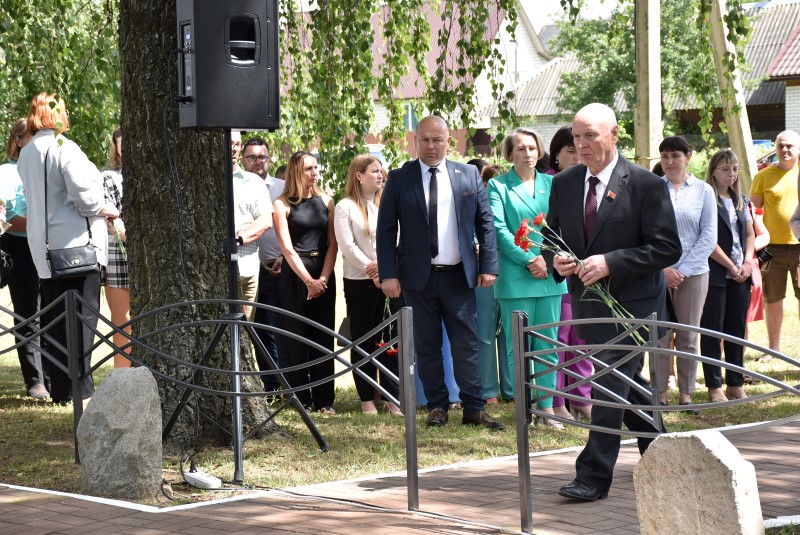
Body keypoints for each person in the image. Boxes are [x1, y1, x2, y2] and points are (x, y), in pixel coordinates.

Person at [546, 103, 681, 501]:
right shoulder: (564, 182)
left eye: (590, 135)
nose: (581, 145)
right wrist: (557, 260)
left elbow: (667, 247)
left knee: (607, 382)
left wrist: (610, 263)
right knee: (626, 383)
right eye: (576, 137)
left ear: (614, 134)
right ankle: (664, 456)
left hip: (635, 305)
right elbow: (553, 236)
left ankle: (593, 475)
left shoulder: (645, 184)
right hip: (590, 304)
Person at [376, 115, 503, 429]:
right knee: (427, 345)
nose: (431, 146)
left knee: (466, 344)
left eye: (437, 140)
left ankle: (474, 407)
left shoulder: (468, 175)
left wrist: (489, 265)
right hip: (417, 278)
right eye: (425, 140)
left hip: (459, 275)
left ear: (449, 141)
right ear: (415, 141)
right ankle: (437, 406)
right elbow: (386, 229)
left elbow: (485, 224)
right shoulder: (399, 178)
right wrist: (388, 273)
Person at [17, 92, 120, 405]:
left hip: (45, 250)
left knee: (56, 324)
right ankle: (81, 391)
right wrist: (106, 208)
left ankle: (61, 389)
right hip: (78, 248)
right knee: (82, 323)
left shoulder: (27, 152)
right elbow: (85, 197)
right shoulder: (65, 147)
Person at [487, 128, 566, 427]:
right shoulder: (497, 186)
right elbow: (498, 229)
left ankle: (546, 409)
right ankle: (525, 409)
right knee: (518, 347)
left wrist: (547, 259)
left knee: (548, 345)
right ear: (510, 154)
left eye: (532, 148)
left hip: (549, 275)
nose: (527, 153)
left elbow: (561, 226)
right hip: (516, 276)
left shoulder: (553, 183)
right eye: (520, 148)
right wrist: (530, 259)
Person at [334, 154, 401, 415]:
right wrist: (372, 270)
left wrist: (385, 267)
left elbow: (397, 239)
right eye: (374, 171)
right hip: (360, 282)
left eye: (381, 171)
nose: (380, 175)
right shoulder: (345, 207)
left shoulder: (386, 204)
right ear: (359, 175)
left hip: (388, 280)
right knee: (363, 339)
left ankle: (390, 395)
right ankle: (366, 398)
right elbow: (348, 246)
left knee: (389, 340)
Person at [273, 151, 337, 414]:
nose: (314, 173)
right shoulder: (282, 204)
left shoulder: (327, 201)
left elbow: (333, 244)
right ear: (295, 172)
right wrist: (308, 281)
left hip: (323, 272)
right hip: (296, 275)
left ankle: (325, 399)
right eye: (308, 168)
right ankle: (301, 397)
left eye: (316, 168)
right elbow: (287, 249)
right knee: (296, 336)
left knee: (323, 336)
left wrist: (322, 278)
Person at [655, 136, 716, 411]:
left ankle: (686, 393)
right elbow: (644, 233)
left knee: (688, 335)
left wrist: (682, 270)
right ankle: (659, 392)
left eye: (675, 156)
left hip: (694, 273)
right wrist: (663, 269)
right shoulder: (652, 188)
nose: (669, 162)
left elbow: (709, 236)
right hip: (658, 272)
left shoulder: (704, 191)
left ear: (688, 157)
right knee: (660, 335)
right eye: (665, 156)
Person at [700, 149, 754, 401]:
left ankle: (735, 381)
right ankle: (714, 385)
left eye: (734, 169)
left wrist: (747, 262)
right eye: (725, 169)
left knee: (736, 328)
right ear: (713, 171)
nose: (731, 174)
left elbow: (749, 234)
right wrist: (731, 266)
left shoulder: (740, 199)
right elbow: (708, 240)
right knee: (713, 329)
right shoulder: (707, 199)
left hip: (741, 273)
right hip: (716, 273)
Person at [547, 126, 592, 422]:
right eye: (570, 151)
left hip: (589, 272)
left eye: (580, 150)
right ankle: (557, 399)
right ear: (556, 155)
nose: (577, 156)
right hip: (560, 276)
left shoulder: (590, 181)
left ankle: (582, 396)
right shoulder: (551, 183)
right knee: (559, 339)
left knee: (583, 338)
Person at [0, 118, 47, 398]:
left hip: (48, 244)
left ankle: (53, 377)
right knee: (28, 313)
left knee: (52, 311)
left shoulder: (46, 170)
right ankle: (35, 381)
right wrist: (40, 225)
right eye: (31, 135)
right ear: (18, 141)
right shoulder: (7, 173)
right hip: (18, 248)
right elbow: (6, 217)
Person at [749, 131, 800, 358]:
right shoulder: (763, 176)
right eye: (781, 146)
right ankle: (773, 349)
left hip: (799, 246)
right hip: (773, 250)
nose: (785, 150)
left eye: (790, 146)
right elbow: (754, 213)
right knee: (773, 299)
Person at [241, 137, 285, 392]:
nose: (257, 162)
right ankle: (267, 385)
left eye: (262, 157)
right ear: (242, 159)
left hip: (277, 267)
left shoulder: (282, 188)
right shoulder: (236, 186)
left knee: (278, 327)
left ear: (269, 159)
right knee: (255, 328)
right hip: (246, 267)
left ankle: (283, 383)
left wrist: (284, 255)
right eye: (251, 157)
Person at [475, 163, 508, 404]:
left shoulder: (509, 206)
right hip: (483, 273)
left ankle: (511, 388)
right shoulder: (474, 206)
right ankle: (488, 391)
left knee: (509, 331)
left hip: (510, 272)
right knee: (484, 333)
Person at [230, 131, 272, 319]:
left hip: (247, 269)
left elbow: (265, 221)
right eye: (230, 143)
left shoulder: (253, 182)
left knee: (246, 328)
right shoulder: (203, 180)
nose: (233, 148)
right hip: (212, 272)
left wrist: (237, 240)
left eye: (237, 144)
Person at [101, 126, 131, 368]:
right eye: (123, 144)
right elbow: (112, 221)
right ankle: (123, 378)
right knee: (124, 321)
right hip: (120, 255)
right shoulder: (108, 177)